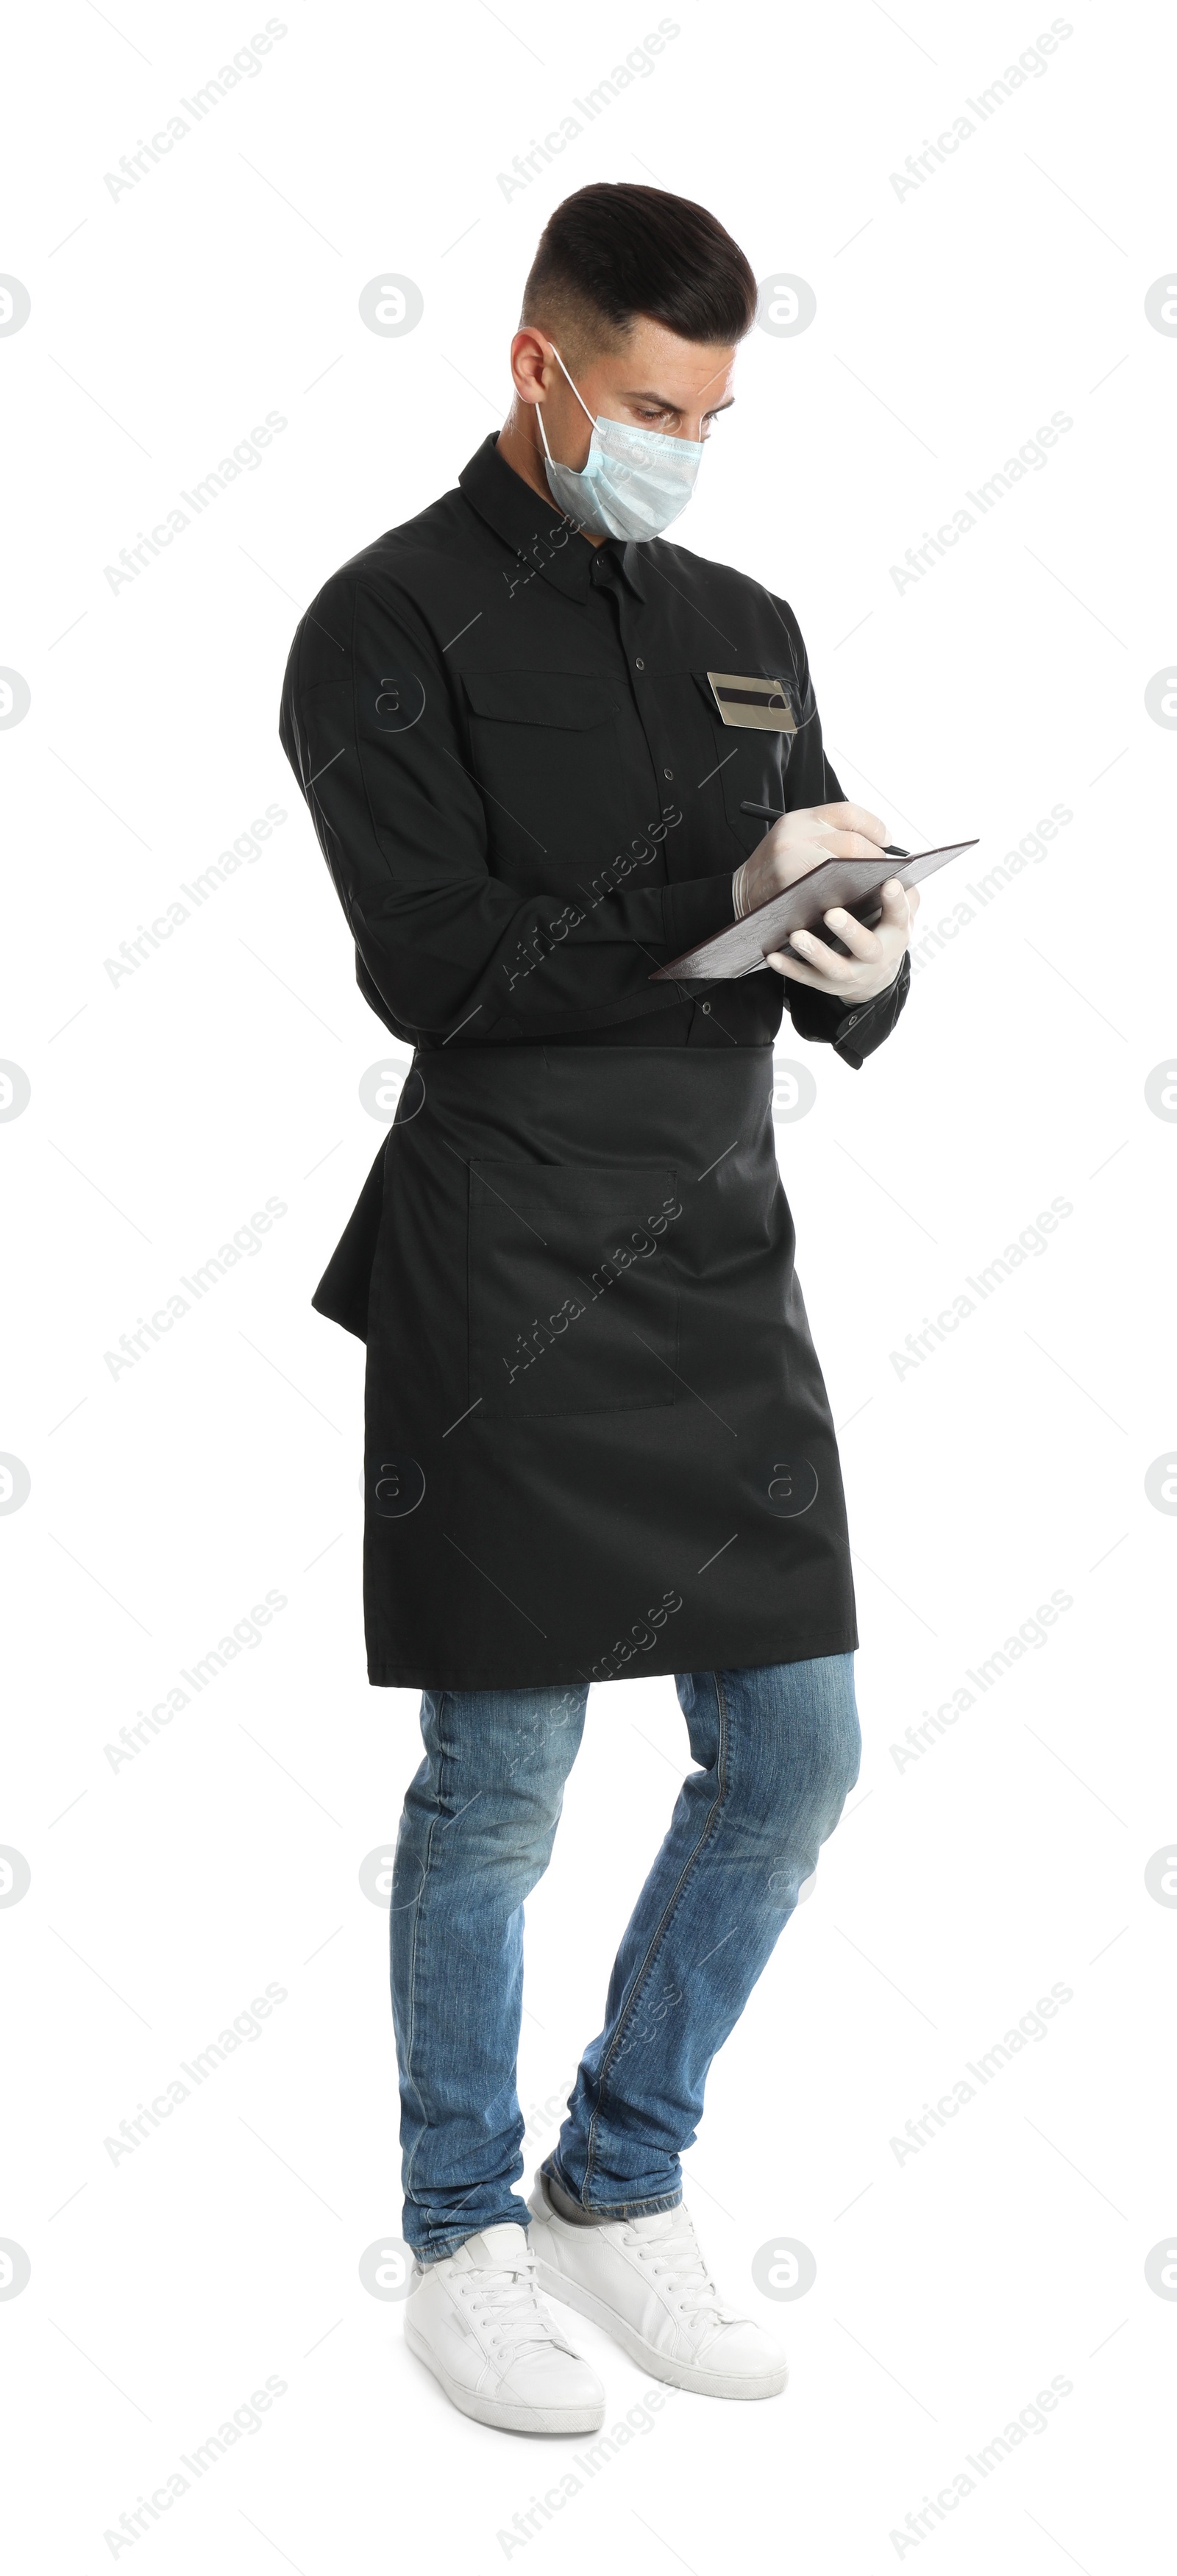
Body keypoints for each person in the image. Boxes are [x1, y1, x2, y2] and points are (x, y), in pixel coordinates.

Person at [278, 182, 920, 2436]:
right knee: (507, 1779)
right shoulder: (385, 620)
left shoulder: (747, 616)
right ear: (539, 362)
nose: (683, 444)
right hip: (504, 1263)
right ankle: (457, 2233)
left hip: (717, 1261)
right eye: (652, 402)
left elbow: (800, 929)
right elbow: (436, 968)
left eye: (714, 412)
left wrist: (865, 957)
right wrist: (707, 885)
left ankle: (612, 2181)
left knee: (801, 1753)